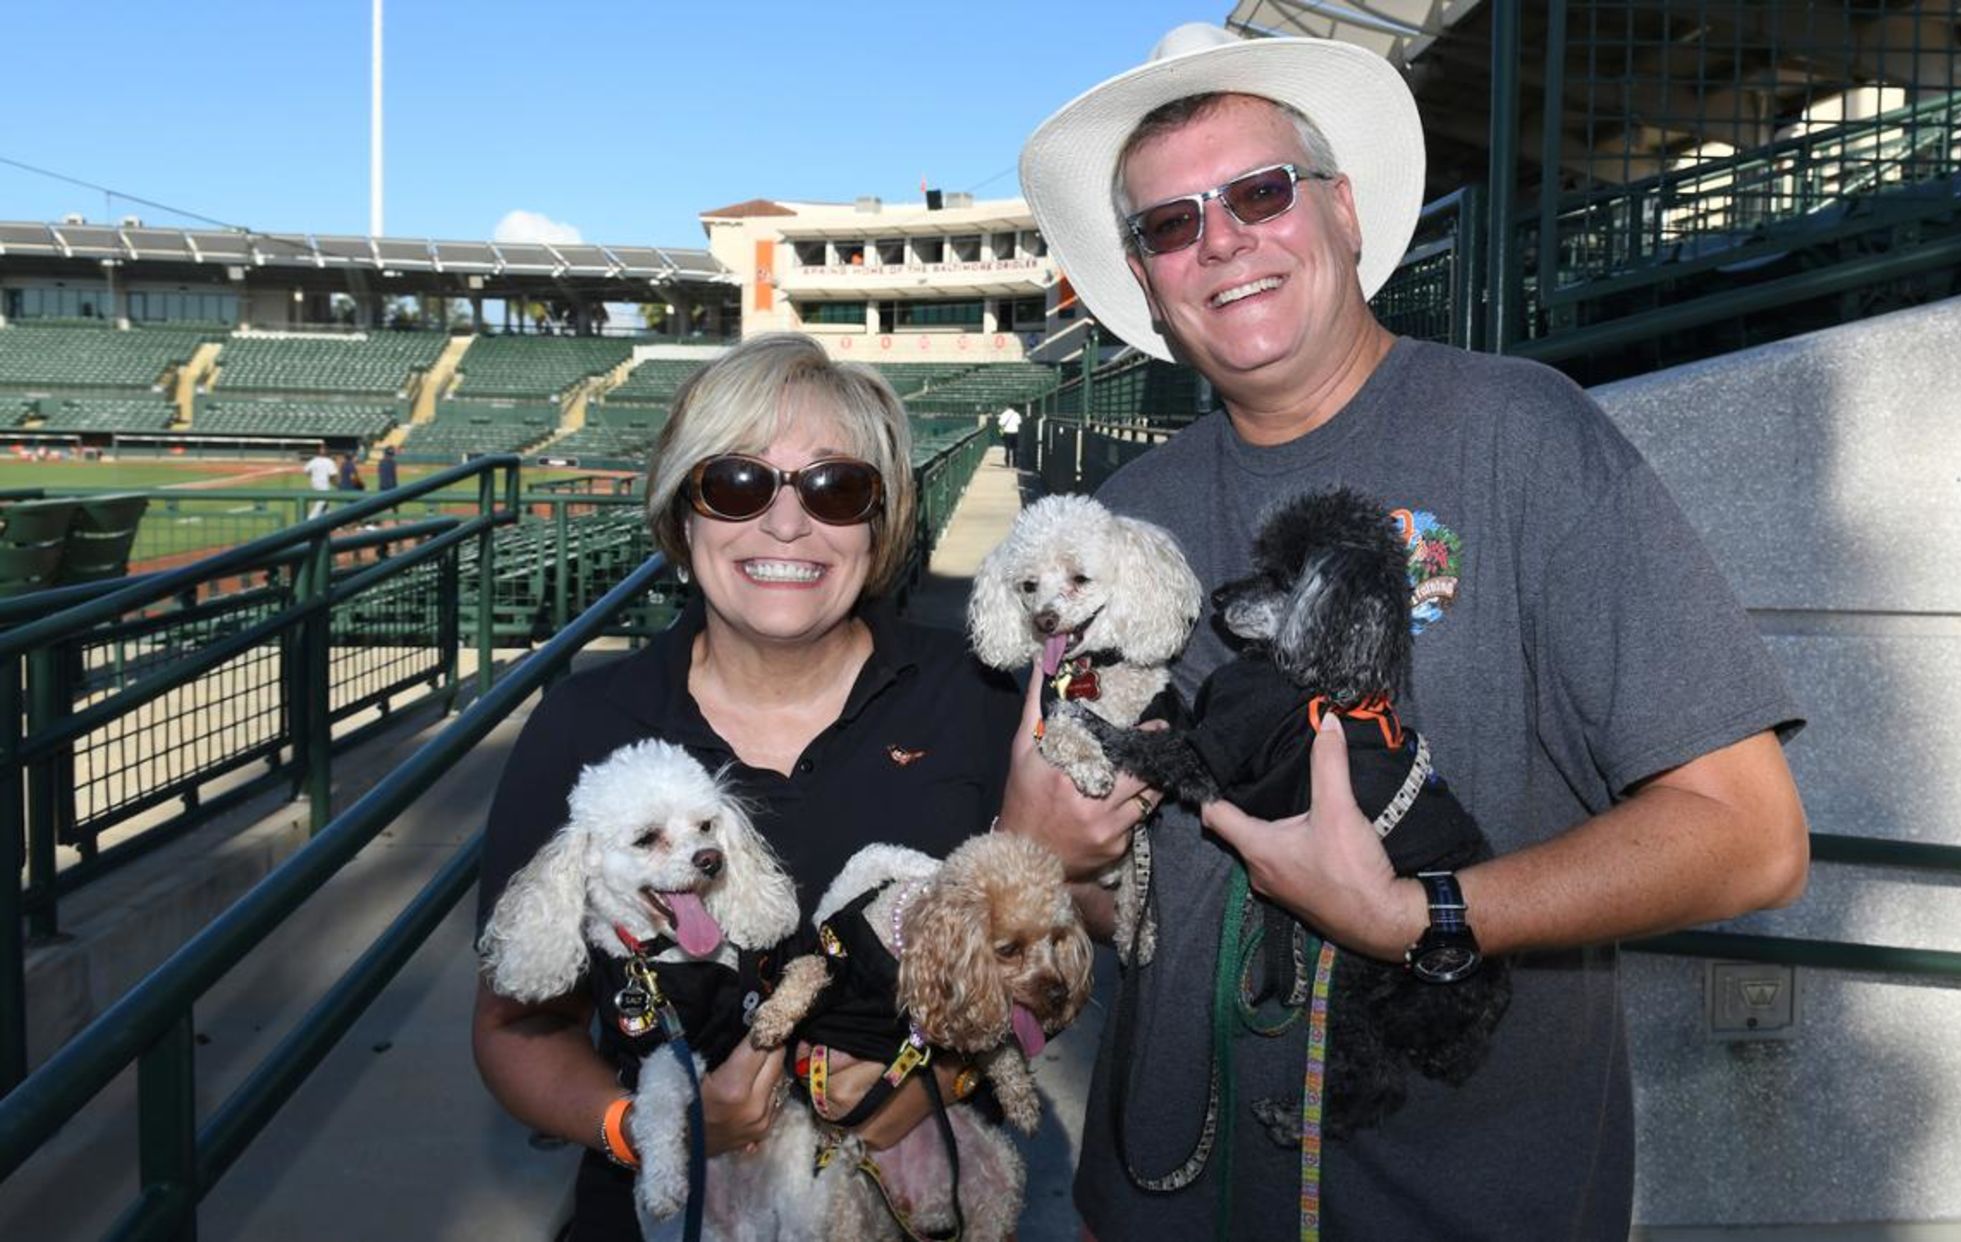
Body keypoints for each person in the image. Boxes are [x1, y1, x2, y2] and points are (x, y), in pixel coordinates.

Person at [1011, 25, 1810, 1239]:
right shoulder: (1116, 524)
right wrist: (1048, 856)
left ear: (1340, 211)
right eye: (1172, 224)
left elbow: (1749, 838)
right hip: (1168, 1201)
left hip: (1468, 1205)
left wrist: (1425, 913)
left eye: (1260, 192)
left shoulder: (1522, 434)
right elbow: (1126, 903)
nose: (1220, 239)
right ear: (1148, 280)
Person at [471, 334, 1032, 1241]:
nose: (785, 524)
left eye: (834, 488)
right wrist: (649, 1131)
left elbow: (1048, 948)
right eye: (736, 483)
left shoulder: (976, 700)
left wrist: (947, 1077)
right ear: (680, 515)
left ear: (878, 524)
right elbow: (514, 1026)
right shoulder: (585, 724)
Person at [303, 448, 337, 518]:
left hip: (314, 485)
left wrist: (313, 476)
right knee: (321, 502)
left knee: (325, 506)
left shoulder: (313, 461)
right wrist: (337, 484)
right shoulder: (329, 461)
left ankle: (331, 522)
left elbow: (306, 471)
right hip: (323, 485)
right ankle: (310, 520)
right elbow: (333, 475)